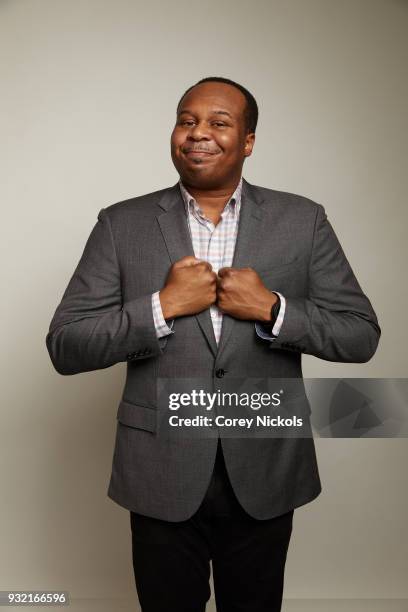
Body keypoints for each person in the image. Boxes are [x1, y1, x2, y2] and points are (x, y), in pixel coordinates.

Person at [46, 76, 381, 612]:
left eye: (219, 123)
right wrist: (162, 306)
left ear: (247, 141)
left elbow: (360, 334)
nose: (198, 133)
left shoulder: (303, 220)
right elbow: (65, 345)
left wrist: (274, 309)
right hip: (160, 470)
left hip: (265, 467)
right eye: (186, 120)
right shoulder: (120, 223)